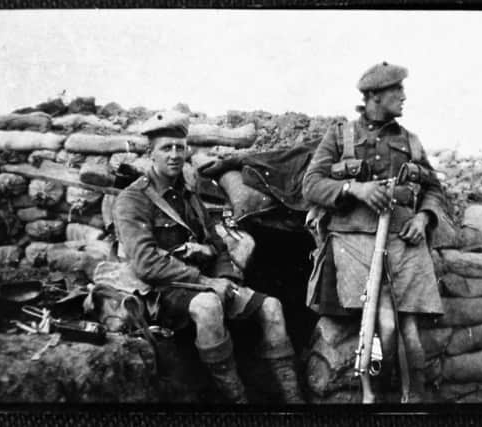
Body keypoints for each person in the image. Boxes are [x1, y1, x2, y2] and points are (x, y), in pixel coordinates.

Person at [112, 110, 304, 404]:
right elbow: (146, 264)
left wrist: (225, 277)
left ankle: (295, 401)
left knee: (272, 308)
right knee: (208, 306)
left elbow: (217, 244)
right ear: (151, 153)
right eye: (166, 148)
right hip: (162, 292)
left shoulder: (189, 196)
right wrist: (206, 282)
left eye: (180, 147)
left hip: (203, 281)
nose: (175, 155)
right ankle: (236, 400)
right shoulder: (133, 199)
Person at [302, 62, 446, 402]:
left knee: (410, 332)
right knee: (387, 325)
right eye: (397, 91)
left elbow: (435, 189)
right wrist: (356, 189)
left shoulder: (410, 141)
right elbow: (311, 184)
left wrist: (424, 218)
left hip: (403, 239)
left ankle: (414, 401)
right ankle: (374, 397)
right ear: (374, 96)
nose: (404, 97)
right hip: (355, 239)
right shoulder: (341, 136)